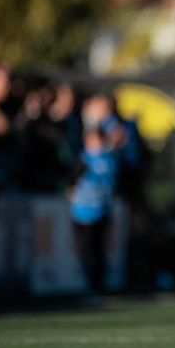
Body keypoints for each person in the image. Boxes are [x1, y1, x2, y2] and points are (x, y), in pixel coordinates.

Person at [69, 125, 118, 295]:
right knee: (85, 249)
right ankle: (90, 284)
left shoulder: (106, 160)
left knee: (95, 249)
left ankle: (97, 285)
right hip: (80, 210)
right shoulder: (82, 158)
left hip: (99, 210)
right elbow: (71, 183)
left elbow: (109, 183)